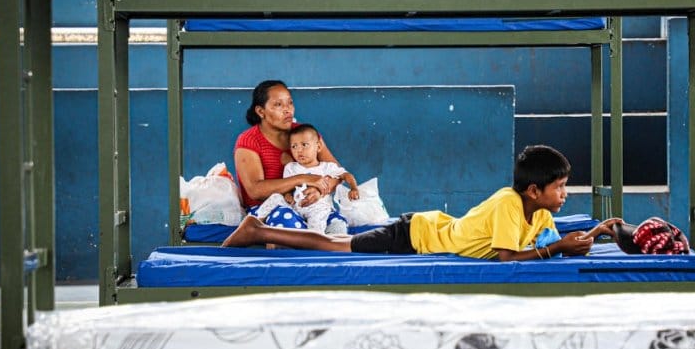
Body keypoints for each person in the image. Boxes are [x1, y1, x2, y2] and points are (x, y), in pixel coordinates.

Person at [223, 144, 622, 260]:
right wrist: (558, 248)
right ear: (534, 190)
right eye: (561, 188)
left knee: (336, 245)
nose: (565, 195)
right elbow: (506, 260)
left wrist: (593, 234)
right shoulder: (508, 204)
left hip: (424, 229)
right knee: (333, 246)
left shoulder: (536, 215)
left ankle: (258, 230)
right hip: (415, 234)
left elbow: (550, 240)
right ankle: (257, 228)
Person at [234, 80, 345, 228]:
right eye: (278, 105)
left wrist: (319, 190)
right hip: (269, 208)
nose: (288, 110)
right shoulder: (249, 141)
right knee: (287, 223)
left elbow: (338, 173)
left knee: (338, 226)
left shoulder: (306, 134)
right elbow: (255, 191)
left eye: (290, 103)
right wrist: (303, 178)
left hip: (309, 204)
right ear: (261, 111)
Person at [254, 123, 360, 233]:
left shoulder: (327, 167)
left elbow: (346, 175)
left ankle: (314, 237)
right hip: (296, 207)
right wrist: (288, 195)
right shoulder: (291, 168)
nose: (299, 150)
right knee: (276, 197)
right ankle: (256, 222)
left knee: (321, 214)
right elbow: (287, 188)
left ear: (318, 146)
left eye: (304, 145)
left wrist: (353, 188)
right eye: (294, 146)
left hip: (317, 208)